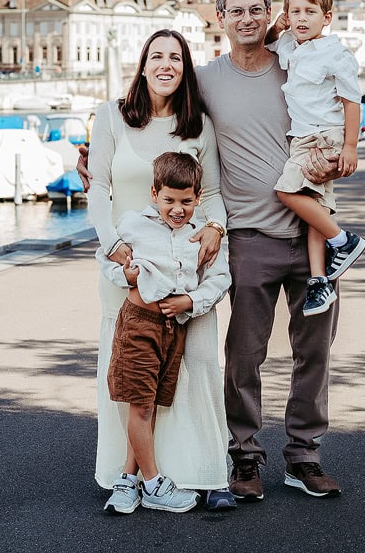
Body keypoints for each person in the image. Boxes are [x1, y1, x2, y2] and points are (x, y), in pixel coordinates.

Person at [198, 0, 349, 507]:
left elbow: (341, 109)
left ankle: (304, 455)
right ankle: (244, 454)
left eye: (255, 9)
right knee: (244, 355)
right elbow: (161, 125)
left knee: (316, 351)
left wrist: (346, 155)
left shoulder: (297, 61)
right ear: (221, 17)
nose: (246, 19)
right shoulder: (204, 80)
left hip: (312, 234)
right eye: (235, 10)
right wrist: (94, 162)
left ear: (270, 14)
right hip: (250, 237)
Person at [88, 29, 229, 514]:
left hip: (186, 264)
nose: (166, 64)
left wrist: (215, 229)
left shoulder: (199, 126)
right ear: (143, 64)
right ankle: (132, 477)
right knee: (133, 373)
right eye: (157, 56)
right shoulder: (111, 116)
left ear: (185, 68)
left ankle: (203, 470)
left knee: (195, 363)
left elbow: (211, 193)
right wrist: (115, 249)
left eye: (176, 57)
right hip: (130, 262)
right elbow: (99, 189)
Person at [101, 151, 232, 515]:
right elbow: (107, 258)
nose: (178, 209)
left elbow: (221, 279)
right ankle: (154, 482)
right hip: (139, 325)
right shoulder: (133, 224)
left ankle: (128, 480)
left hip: (173, 330)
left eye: (186, 201)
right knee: (139, 405)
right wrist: (124, 275)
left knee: (151, 403)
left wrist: (190, 301)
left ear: (198, 198)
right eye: (169, 200)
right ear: (154, 193)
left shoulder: (201, 235)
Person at [260, 0, 365, 317]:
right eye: (295, 12)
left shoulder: (336, 54)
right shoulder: (291, 44)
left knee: (287, 193)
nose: (302, 18)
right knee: (315, 211)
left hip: (323, 137)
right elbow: (267, 44)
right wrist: (276, 27)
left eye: (310, 12)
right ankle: (319, 282)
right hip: (303, 138)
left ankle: (343, 241)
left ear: (328, 16)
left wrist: (350, 147)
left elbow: (352, 102)